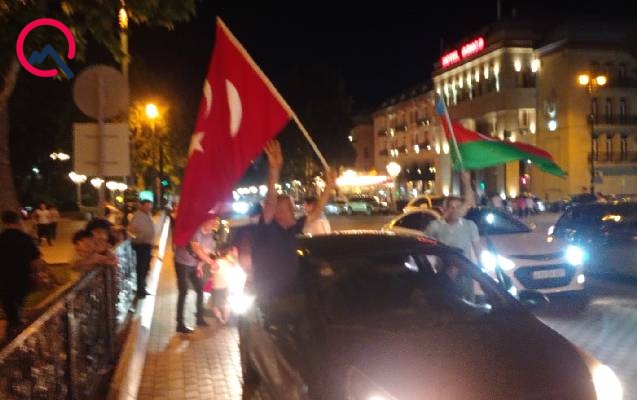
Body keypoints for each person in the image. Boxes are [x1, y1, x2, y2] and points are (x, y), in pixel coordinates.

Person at [252, 140, 335, 311]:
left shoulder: (291, 229)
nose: (294, 210)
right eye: (289, 208)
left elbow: (316, 212)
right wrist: (274, 170)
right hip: (270, 300)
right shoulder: (267, 229)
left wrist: (329, 186)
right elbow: (270, 202)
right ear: (277, 213)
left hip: (290, 296)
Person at [0, 210, 47, 339]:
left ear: (4, 222)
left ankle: (12, 324)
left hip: (3, 277)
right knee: (18, 300)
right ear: (18, 221)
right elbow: (36, 260)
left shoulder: (1, 238)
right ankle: (15, 327)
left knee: (8, 302)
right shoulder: (25, 238)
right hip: (22, 275)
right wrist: (37, 274)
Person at [173, 215, 220, 333]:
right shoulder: (196, 231)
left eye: (215, 222)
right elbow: (196, 249)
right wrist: (211, 262)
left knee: (200, 289)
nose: (214, 224)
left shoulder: (210, 235)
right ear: (205, 220)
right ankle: (180, 324)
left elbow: (206, 252)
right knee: (184, 291)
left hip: (194, 265)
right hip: (182, 262)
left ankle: (199, 318)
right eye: (211, 222)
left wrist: (200, 266)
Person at [128, 199, 155, 298]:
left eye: (149, 206)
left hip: (147, 245)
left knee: (146, 268)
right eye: (147, 206)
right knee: (141, 268)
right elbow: (130, 231)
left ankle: (143, 288)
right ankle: (140, 291)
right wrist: (137, 238)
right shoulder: (137, 216)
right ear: (141, 206)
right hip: (140, 246)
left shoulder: (148, 215)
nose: (148, 208)